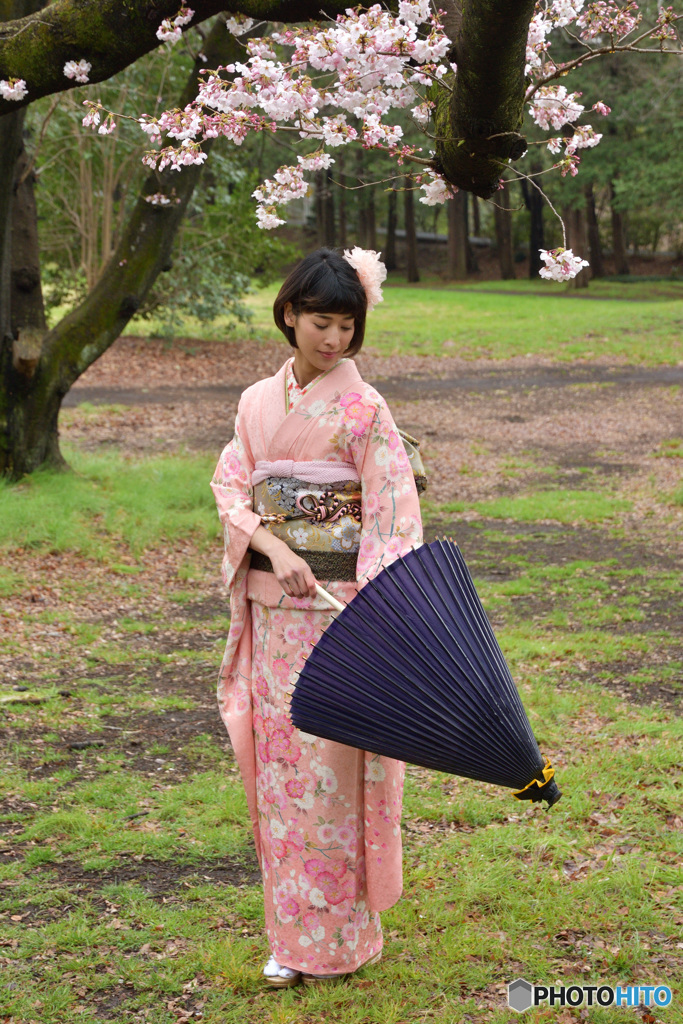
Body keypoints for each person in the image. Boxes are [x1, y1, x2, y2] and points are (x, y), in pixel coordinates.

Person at [210, 246, 423, 988]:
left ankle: (339, 939)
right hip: (276, 616)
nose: (332, 339)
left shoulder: (365, 408)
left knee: (331, 775)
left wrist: (372, 609)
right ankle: (288, 936)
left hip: (342, 621)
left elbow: (393, 513)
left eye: (345, 325)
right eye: (319, 322)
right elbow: (230, 489)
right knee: (280, 776)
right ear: (290, 316)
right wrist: (272, 544)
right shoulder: (253, 404)